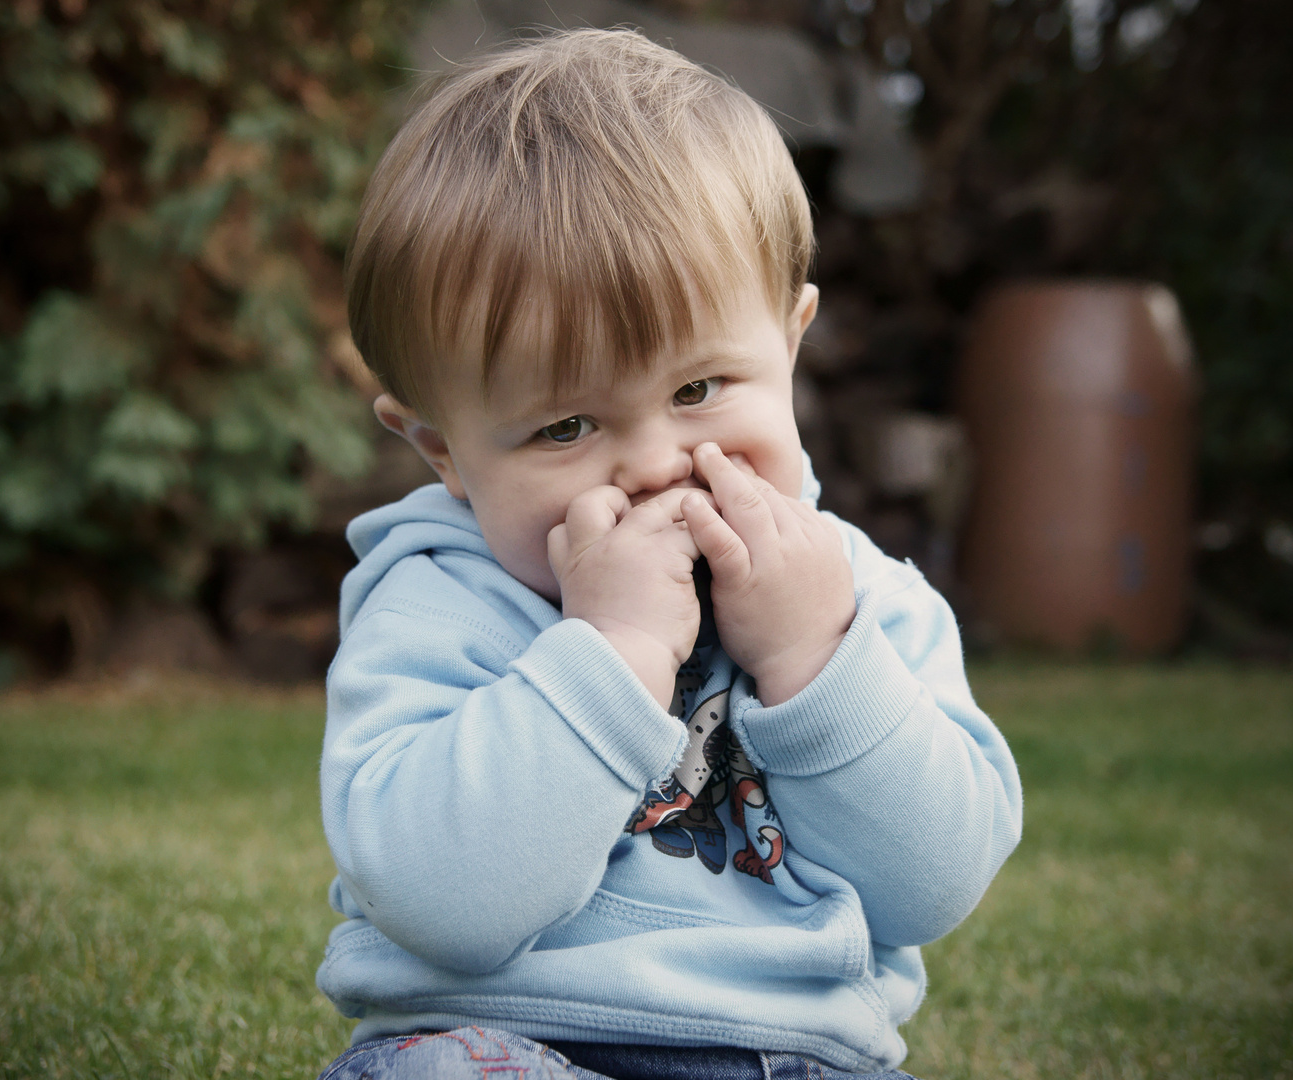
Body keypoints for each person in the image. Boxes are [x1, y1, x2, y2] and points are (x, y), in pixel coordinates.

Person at [314, 28, 1021, 1080]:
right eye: (564, 428)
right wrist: (612, 652)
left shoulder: (859, 599)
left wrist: (815, 660)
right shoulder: (434, 606)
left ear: (789, 341)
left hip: (798, 1060)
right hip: (507, 1044)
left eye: (698, 391)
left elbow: (931, 884)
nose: (653, 464)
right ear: (442, 451)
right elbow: (440, 903)